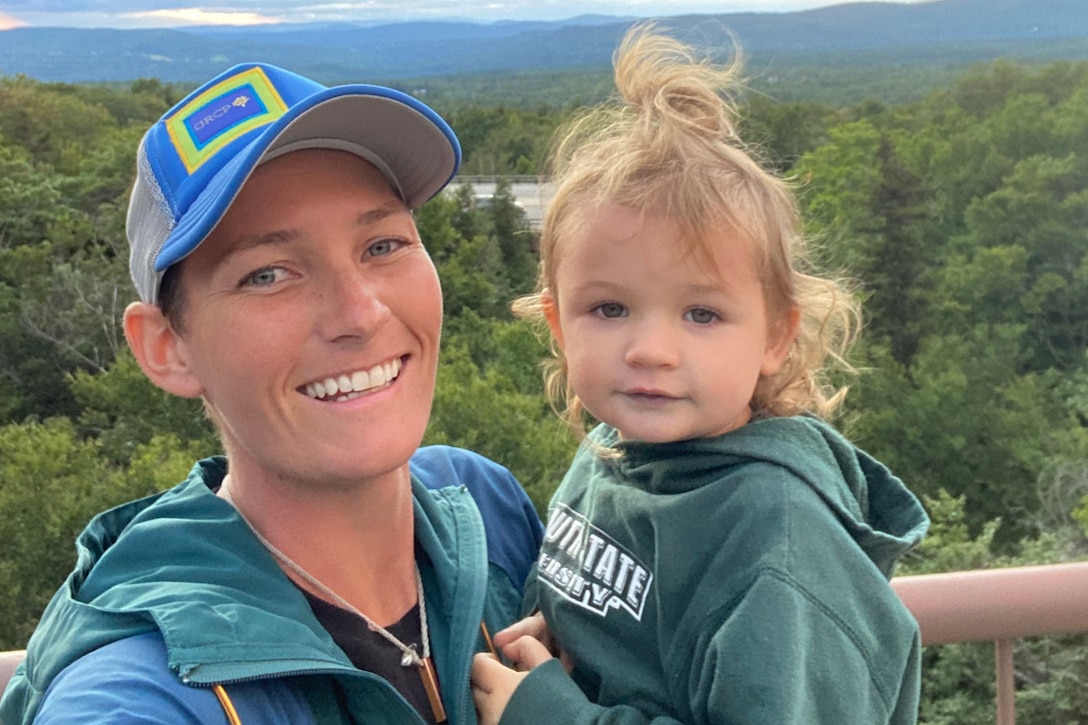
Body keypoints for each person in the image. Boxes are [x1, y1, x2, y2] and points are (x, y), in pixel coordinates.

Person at [0, 62, 543, 724]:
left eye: (381, 243)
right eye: (268, 274)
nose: (360, 312)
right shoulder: (145, 694)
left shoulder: (485, 510)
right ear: (166, 348)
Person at [470, 25, 929, 725]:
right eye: (610, 307)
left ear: (776, 335)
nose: (651, 348)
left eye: (702, 313)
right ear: (560, 325)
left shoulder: (777, 550)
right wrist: (563, 644)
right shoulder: (619, 451)